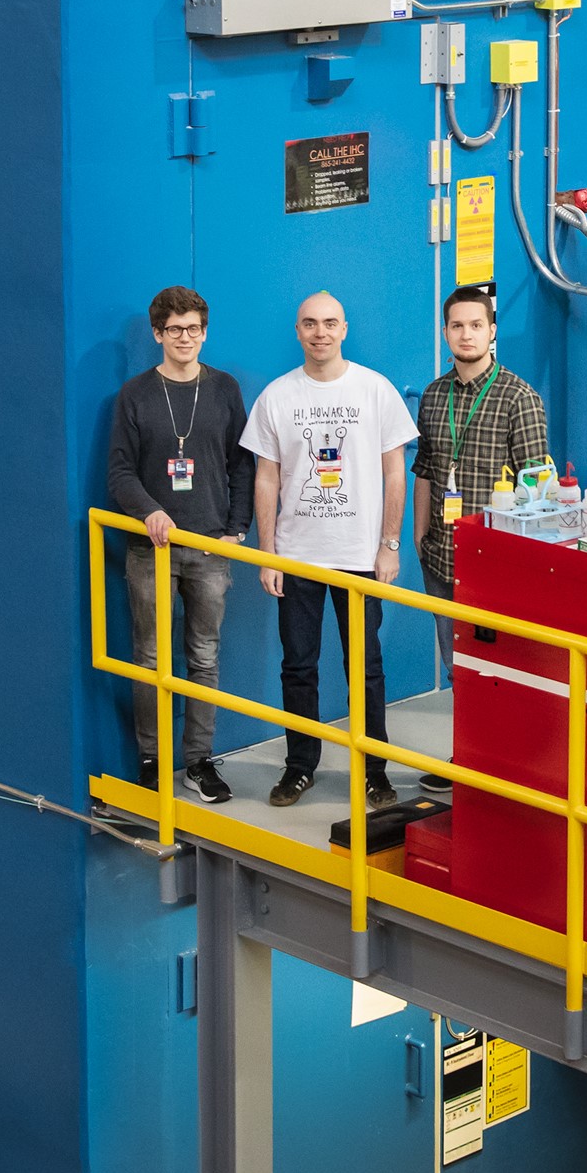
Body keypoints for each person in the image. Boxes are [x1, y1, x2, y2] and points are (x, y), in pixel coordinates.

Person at [243, 291, 417, 809]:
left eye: (330, 323)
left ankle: (374, 772)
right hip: (297, 557)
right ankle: (300, 767)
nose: (320, 332)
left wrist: (389, 546)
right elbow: (266, 478)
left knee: (365, 667)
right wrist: (269, 551)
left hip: (360, 557)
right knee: (298, 665)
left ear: (345, 329)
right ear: (298, 332)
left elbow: (394, 473)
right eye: (310, 324)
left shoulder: (375, 390)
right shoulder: (277, 396)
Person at [105, 286, 251, 802]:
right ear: (157, 335)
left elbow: (241, 463)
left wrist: (237, 529)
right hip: (152, 549)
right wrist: (150, 511)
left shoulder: (225, 389)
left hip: (211, 546)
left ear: (204, 332)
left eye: (192, 329)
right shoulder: (136, 394)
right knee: (149, 658)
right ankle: (152, 758)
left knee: (204, 658)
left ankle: (198, 761)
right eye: (173, 330)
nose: (184, 338)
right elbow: (120, 472)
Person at [410, 287, 550, 792]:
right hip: (441, 558)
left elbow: (539, 490)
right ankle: (467, 760)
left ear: (492, 331)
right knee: (460, 670)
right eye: (456, 326)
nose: (465, 335)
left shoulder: (519, 398)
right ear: (445, 332)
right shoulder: (433, 395)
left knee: (502, 669)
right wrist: (420, 537)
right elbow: (424, 471)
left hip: (496, 567)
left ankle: (509, 765)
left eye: (476, 325)